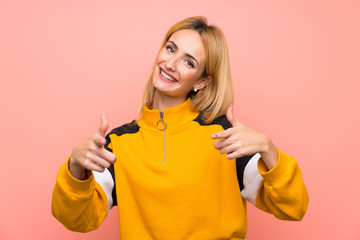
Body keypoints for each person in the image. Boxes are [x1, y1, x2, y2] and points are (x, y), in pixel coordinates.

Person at [52, 16, 309, 240]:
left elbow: (293, 208)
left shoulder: (224, 137)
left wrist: (269, 150)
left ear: (202, 81)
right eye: (170, 49)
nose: (171, 64)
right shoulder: (118, 144)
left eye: (189, 62)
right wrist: (76, 167)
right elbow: (77, 220)